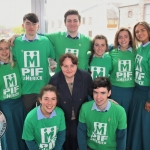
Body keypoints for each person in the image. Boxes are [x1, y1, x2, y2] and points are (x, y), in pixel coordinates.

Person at [9, 10, 91, 73]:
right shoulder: (56, 37)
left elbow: (101, 48)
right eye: (69, 21)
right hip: (61, 82)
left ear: (80, 22)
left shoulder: (87, 40)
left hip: (81, 82)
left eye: (75, 20)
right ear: (65, 23)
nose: (72, 23)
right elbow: (35, 35)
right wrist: (18, 36)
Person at [12, 13, 55, 113]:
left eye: (34, 24)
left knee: (44, 118)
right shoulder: (16, 43)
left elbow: (56, 58)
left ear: (38, 26)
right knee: (28, 120)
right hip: (25, 90)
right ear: (23, 26)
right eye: (28, 23)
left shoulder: (45, 41)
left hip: (43, 88)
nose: (31, 26)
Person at [49, 53, 93, 150]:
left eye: (72, 66)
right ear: (60, 66)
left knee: (77, 139)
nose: (69, 69)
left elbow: (94, 94)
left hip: (80, 117)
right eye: (65, 66)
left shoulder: (85, 77)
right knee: (63, 140)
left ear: (77, 65)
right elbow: (51, 100)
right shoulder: (54, 80)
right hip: (62, 118)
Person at [77, 77, 127, 150]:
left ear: (109, 93)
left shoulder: (120, 111)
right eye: (95, 92)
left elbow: (121, 138)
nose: (98, 97)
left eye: (103, 93)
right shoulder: (85, 107)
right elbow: (81, 132)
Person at [0, 39, 27, 150]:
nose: (4, 51)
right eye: (0, 49)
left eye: (7, 48)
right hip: (5, 107)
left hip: (19, 105)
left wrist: (16, 36)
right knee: (9, 138)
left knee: (22, 135)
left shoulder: (16, 64)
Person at [127, 21, 150, 150]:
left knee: (145, 125)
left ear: (148, 31)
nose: (140, 33)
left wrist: (149, 99)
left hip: (146, 92)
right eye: (137, 32)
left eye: (143, 30)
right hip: (137, 91)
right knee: (136, 124)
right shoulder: (140, 48)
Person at [22, 84, 66, 150]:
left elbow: (61, 135)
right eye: (46, 99)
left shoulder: (60, 113)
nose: (49, 103)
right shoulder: (30, 118)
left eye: (53, 99)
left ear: (56, 100)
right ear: (40, 100)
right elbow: (29, 141)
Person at [109, 27, 136, 114]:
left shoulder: (136, 52)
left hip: (130, 89)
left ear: (130, 38)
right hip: (115, 88)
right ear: (117, 39)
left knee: (128, 115)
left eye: (125, 36)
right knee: (115, 114)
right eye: (120, 37)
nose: (123, 39)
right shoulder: (112, 52)